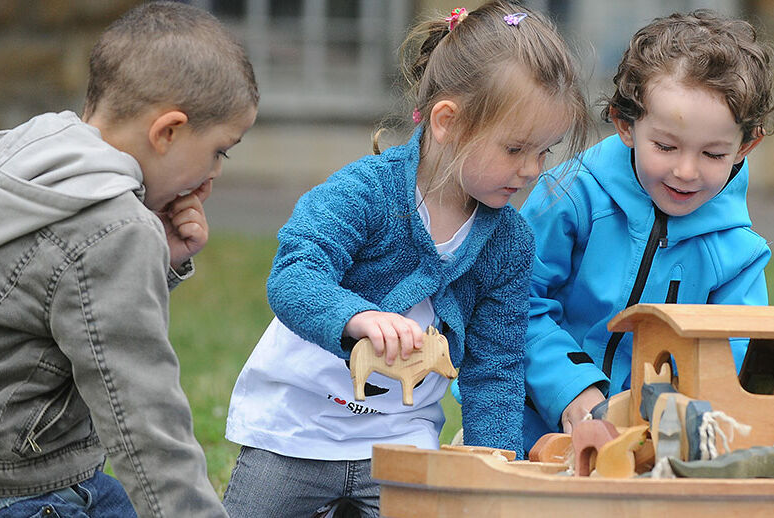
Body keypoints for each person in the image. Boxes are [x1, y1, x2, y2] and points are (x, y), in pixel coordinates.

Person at [221, 2, 589, 516]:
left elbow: (495, 367)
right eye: (515, 149)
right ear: (447, 123)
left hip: (402, 439)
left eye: (544, 152)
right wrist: (355, 317)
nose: (531, 170)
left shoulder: (510, 242)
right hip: (297, 427)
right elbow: (293, 275)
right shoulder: (364, 192)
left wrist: (493, 467)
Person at [0, 3, 258, 517]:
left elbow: (52, 300)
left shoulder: (35, 160)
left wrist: (158, 258)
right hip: (16, 488)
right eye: (222, 149)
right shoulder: (110, 227)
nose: (214, 173)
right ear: (168, 132)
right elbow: (141, 412)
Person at [518, 9, 774, 449]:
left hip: (659, 447)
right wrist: (571, 388)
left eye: (713, 154)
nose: (687, 171)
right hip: (530, 427)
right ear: (625, 124)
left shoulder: (738, 252)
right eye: (666, 146)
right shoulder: (568, 198)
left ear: (744, 147)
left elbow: (733, 357)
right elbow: (513, 301)